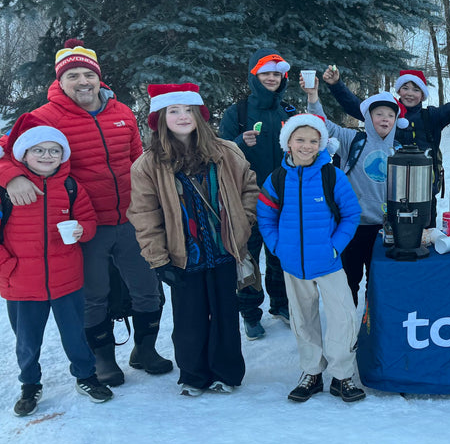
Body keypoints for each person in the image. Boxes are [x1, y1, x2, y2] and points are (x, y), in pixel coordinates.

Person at [0, 40, 171, 387]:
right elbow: (8, 151)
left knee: (147, 288)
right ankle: (103, 358)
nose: (82, 81)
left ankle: (145, 349)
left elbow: (139, 162)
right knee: (93, 295)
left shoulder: (121, 112)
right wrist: (13, 176)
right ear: (60, 81)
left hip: (132, 218)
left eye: (88, 74)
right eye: (73, 75)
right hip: (83, 225)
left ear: (99, 78)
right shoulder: (42, 118)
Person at [128, 84, 258, 396]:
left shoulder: (226, 152)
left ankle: (226, 372)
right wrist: (158, 260)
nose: (182, 116)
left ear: (199, 116)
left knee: (226, 314)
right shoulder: (148, 164)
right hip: (183, 256)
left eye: (188, 110)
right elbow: (144, 214)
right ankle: (193, 374)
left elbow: (249, 187)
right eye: (174, 111)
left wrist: (245, 222)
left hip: (225, 250)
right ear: (161, 118)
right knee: (190, 318)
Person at [0, 114, 113, 415]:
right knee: (27, 339)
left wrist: (81, 230)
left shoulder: (71, 186)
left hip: (67, 279)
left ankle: (86, 375)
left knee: (75, 332)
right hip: (21, 282)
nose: (47, 156)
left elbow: (89, 221)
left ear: (63, 154)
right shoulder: (7, 190)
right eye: (39, 150)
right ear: (23, 153)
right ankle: (30, 384)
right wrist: (5, 267)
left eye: (54, 150)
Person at [257, 114, 364, 404]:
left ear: (321, 144)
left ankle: (342, 376)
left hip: (329, 263)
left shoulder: (332, 175)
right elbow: (265, 216)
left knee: (342, 317)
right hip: (293, 265)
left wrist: (335, 247)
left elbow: (351, 214)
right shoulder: (277, 179)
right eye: (300, 139)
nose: (306, 146)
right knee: (303, 319)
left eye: (313, 141)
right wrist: (279, 247)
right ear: (288, 143)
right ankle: (311, 373)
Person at [322, 66, 450, 228]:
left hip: (423, 191)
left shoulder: (431, 117)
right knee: (391, 239)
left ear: (423, 95)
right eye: (405, 88)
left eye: (416, 89)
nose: (410, 93)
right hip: (388, 192)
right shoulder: (387, 113)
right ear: (399, 91)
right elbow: (355, 105)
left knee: (423, 237)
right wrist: (336, 84)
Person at [219, 48, 297, 340]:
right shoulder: (236, 113)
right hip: (247, 202)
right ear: (254, 76)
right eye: (266, 73)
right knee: (248, 258)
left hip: (285, 200)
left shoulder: (289, 112)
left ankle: (281, 304)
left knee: (280, 255)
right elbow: (217, 154)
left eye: (276, 73)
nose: (272, 78)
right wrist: (238, 142)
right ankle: (250, 314)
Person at [337, 93, 406, 300]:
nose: (385, 118)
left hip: (385, 229)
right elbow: (322, 127)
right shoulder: (352, 140)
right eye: (379, 114)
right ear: (368, 117)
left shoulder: (399, 150)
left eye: (390, 115)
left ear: (396, 121)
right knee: (349, 280)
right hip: (353, 226)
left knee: (378, 280)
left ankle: (372, 322)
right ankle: (346, 325)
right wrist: (313, 97)